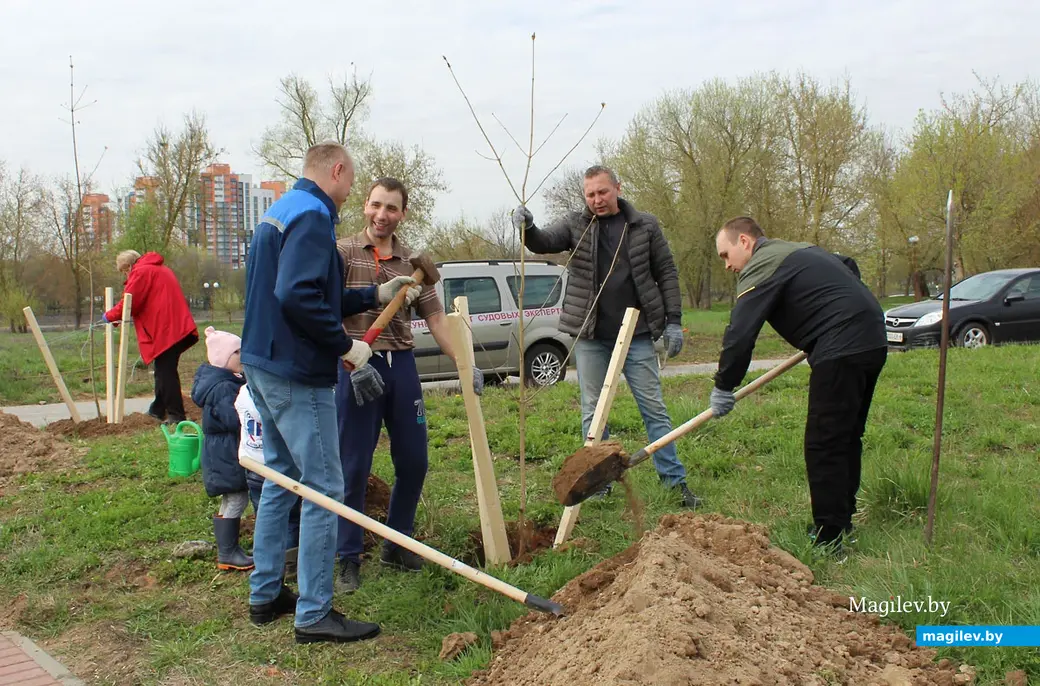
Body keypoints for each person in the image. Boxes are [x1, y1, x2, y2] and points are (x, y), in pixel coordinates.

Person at [240, 141, 417, 644]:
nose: (351, 191)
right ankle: (314, 612)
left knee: (281, 478)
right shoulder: (315, 216)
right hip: (296, 372)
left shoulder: (280, 211)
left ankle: (265, 593)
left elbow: (308, 291)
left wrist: (373, 295)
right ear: (336, 170)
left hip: (262, 362)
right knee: (323, 488)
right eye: (351, 180)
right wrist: (346, 346)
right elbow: (296, 295)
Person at [513, 165, 700, 508]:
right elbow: (543, 242)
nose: (597, 199)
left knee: (654, 410)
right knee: (594, 412)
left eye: (602, 192)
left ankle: (675, 482)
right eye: (590, 194)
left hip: (637, 335)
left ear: (617, 188)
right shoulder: (576, 225)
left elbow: (667, 272)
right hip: (591, 336)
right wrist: (528, 227)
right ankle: (599, 484)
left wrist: (674, 320)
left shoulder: (645, 226)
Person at [334, 177, 481, 593]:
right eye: (376, 205)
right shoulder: (342, 252)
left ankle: (398, 544)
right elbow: (326, 310)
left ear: (403, 213)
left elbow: (436, 319)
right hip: (355, 363)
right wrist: (348, 358)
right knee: (353, 465)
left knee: (414, 461)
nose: (382, 215)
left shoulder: (411, 263)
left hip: (401, 365)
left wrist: (464, 362)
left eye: (391, 208)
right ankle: (347, 557)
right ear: (365, 205)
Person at [709, 216, 887, 559]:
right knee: (846, 437)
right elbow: (848, 265)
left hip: (842, 347)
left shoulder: (762, 265)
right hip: (872, 338)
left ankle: (829, 537)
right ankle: (841, 523)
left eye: (725, 255)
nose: (727, 265)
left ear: (744, 241)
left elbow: (741, 334)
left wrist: (724, 385)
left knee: (824, 443)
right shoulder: (797, 249)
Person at [103, 250, 198, 424]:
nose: (125, 275)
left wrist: (110, 316)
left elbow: (130, 302)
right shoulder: (158, 269)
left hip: (165, 330)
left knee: (165, 373)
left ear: (129, 266)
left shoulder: (141, 272)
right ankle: (158, 410)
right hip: (175, 326)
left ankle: (176, 415)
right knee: (163, 370)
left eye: (124, 271)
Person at [190, 326, 253, 571]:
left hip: (221, 452)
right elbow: (234, 419)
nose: (242, 356)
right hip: (227, 453)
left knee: (232, 498)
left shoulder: (221, 382)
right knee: (237, 497)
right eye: (237, 352)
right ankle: (227, 552)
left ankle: (228, 550)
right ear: (224, 358)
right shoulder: (224, 388)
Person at [235, 381, 302, 578]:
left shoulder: (242, 393)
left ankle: (265, 561)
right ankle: (289, 562)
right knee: (290, 517)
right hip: (277, 468)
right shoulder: (276, 398)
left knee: (265, 515)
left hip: (253, 466)